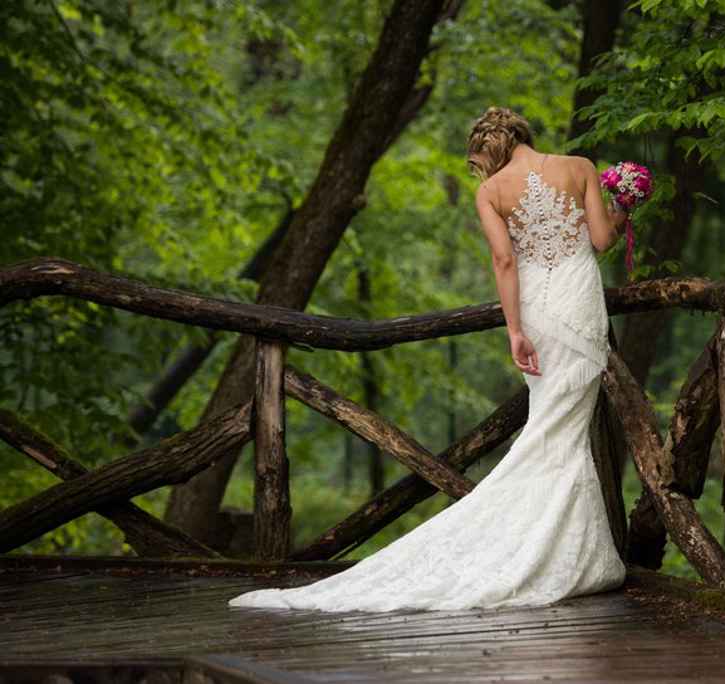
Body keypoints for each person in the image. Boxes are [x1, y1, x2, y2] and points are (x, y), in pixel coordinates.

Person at [227, 106, 629, 613]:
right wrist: (622, 210)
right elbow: (601, 240)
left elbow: (505, 261)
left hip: (542, 312)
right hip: (580, 300)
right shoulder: (581, 167)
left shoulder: (492, 192)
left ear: (492, 151)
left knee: (552, 426)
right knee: (563, 428)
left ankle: (557, 550)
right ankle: (563, 553)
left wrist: (515, 332)